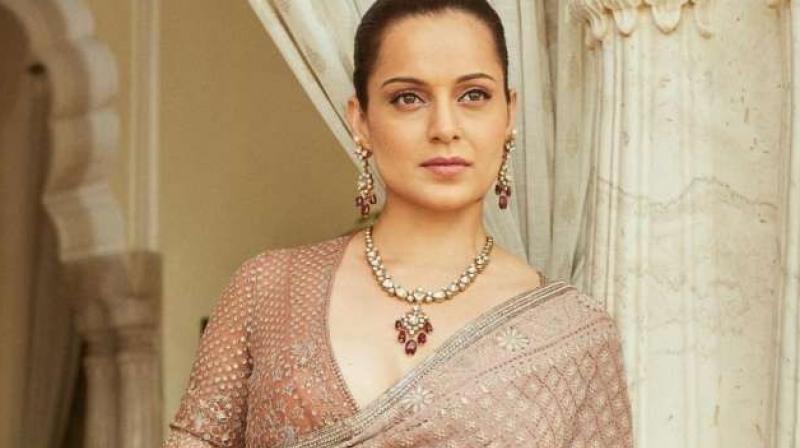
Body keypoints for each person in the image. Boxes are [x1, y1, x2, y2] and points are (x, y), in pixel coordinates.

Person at [163, 0, 634, 446]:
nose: (445, 127)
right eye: (408, 98)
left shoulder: (574, 334)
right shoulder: (267, 290)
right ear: (361, 120)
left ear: (509, 114)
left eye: (474, 95)